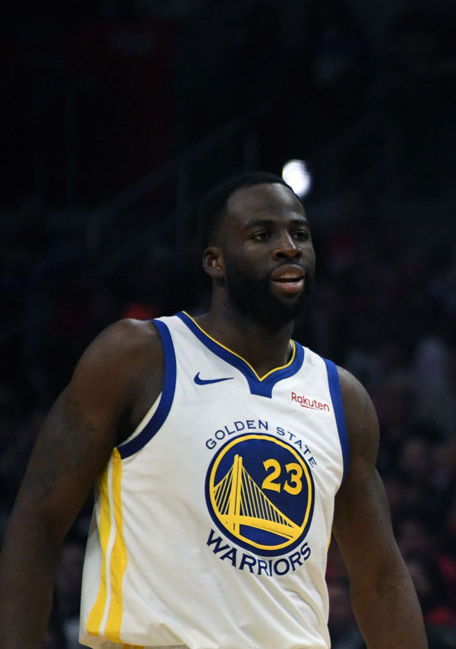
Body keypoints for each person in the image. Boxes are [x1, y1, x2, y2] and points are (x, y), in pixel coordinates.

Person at [0, 172, 426, 649]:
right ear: (215, 262)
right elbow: (37, 521)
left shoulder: (343, 398)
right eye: (262, 235)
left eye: (300, 234)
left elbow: (382, 579)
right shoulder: (137, 357)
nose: (289, 247)